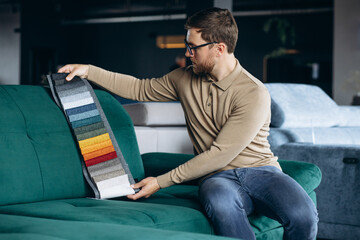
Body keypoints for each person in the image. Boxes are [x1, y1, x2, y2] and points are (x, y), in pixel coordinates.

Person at [58, 7, 318, 240]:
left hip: (262, 171)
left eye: (194, 47)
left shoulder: (253, 92)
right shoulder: (184, 78)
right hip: (218, 177)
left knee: (304, 216)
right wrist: (90, 71)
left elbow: (221, 153)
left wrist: (160, 182)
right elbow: (139, 88)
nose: (187, 53)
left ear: (219, 48)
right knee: (221, 203)